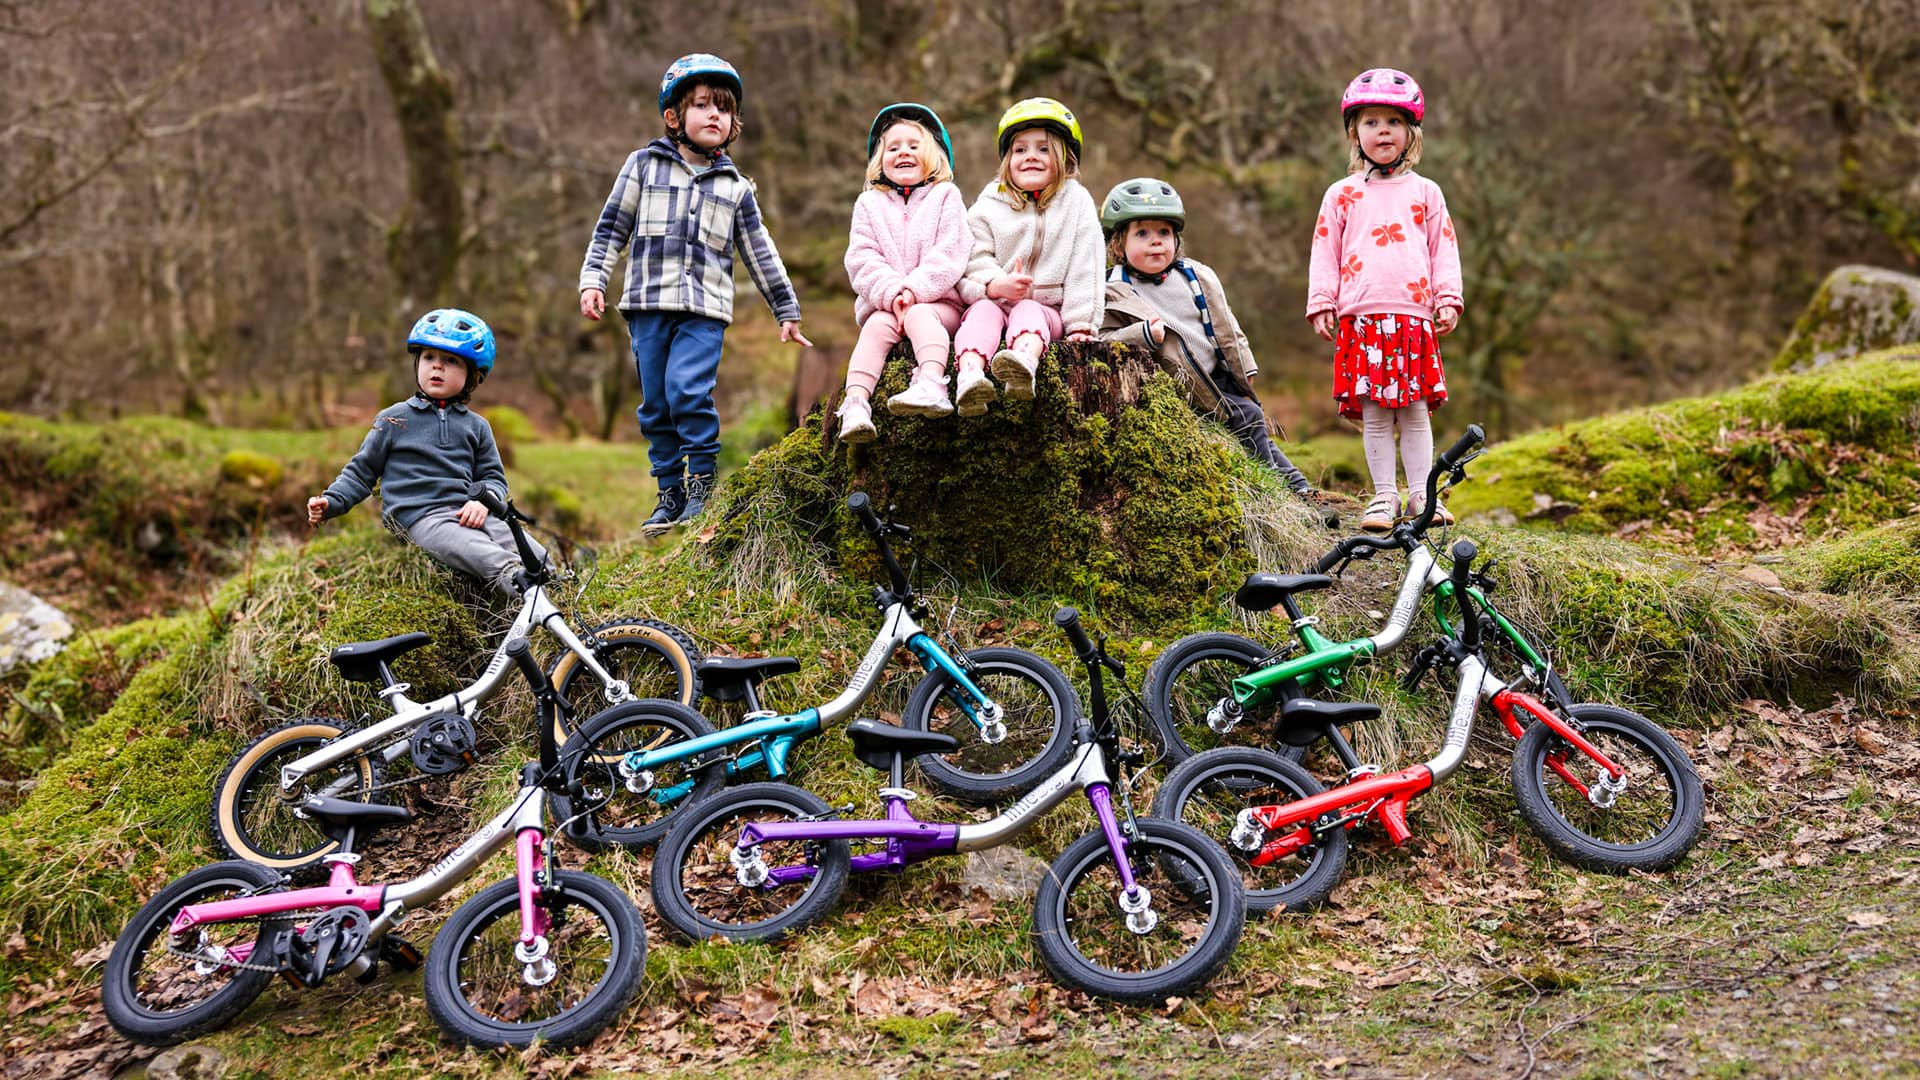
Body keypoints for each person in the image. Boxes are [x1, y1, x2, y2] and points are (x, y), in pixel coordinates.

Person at [577, 53, 811, 536]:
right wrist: (593, 279)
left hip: (705, 310)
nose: (713, 116)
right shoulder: (642, 167)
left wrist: (785, 308)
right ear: (673, 117)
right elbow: (610, 230)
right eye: (702, 105)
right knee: (657, 404)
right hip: (647, 307)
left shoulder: (737, 188)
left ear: (734, 124)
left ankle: (702, 484)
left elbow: (760, 253)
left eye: (723, 109)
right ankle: (669, 492)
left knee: (688, 391)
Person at [1306, 68, 1463, 532]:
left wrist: (1448, 297)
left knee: (1414, 413)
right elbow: (1324, 249)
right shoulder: (1341, 195)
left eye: (1393, 122)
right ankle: (1383, 498)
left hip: (1414, 318)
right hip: (1362, 319)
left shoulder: (1426, 192)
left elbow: (1444, 247)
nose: (1382, 132)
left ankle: (1421, 497)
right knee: (1376, 415)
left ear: (1409, 132)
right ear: (1355, 132)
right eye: (1371, 122)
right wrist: (1322, 299)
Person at [1098, 177, 1321, 497]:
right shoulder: (1114, 290)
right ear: (1119, 243)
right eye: (1142, 233)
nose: (1155, 242)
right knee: (1250, 420)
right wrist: (1143, 334)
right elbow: (1104, 338)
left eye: (1164, 233)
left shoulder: (1195, 275)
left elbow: (1227, 324)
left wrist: (1246, 365)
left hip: (1219, 374)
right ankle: (1285, 488)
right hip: (1185, 386)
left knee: (1253, 424)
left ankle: (1298, 487)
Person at [307, 309, 546, 597]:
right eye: (429, 357)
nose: (437, 367)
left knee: (536, 554)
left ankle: (557, 591)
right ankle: (527, 596)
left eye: (450, 360)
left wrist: (483, 503)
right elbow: (361, 473)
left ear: (473, 374)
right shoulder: (394, 419)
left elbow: (493, 478)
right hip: (421, 517)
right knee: (488, 556)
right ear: (417, 362)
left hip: (469, 512)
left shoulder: (478, 426)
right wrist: (331, 502)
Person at [950, 97, 1105, 415]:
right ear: (1007, 159)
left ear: (1065, 157)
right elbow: (971, 259)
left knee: (1030, 310)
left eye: (1043, 149)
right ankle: (970, 376)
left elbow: (1085, 267)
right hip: (995, 303)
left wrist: (1081, 325)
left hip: (1048, 311)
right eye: (1020, 150)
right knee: (980, 315)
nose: (1030, 157)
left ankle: (1023, 364)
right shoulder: (989, 204)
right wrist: (994, 285)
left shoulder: (1076, 203)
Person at [836, 103, 970, 439]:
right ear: (879, 162)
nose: (903, 153)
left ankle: (931, 381)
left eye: (914, 146)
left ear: (934, 156)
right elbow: (861, 258)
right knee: (874, 330)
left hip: (940, 305)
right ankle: (855, 402)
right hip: (887, 305)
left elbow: (951, 252)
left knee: (919, 316)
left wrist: (914, 291)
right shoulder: (868, 204)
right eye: (893, 148)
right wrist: (893, 292)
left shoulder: (946, 197)